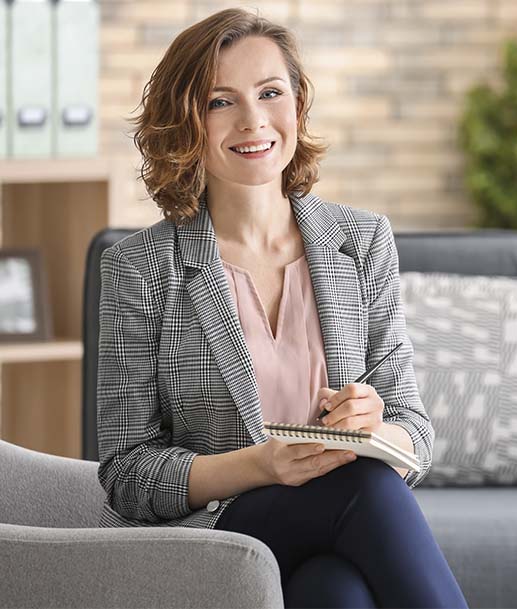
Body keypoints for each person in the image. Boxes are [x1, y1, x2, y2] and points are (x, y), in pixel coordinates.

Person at [96, 7, 468, 609]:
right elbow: (126, 476)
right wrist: (263, 466)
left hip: (331, 532)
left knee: (335, 593)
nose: (253, 120)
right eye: (221, 101)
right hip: (213, 538)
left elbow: (416, 432)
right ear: (186, 123)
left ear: (297, 104)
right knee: (365, 488)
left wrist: (378, 427)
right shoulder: (138, 268)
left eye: (271, 93)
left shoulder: (362, 242)